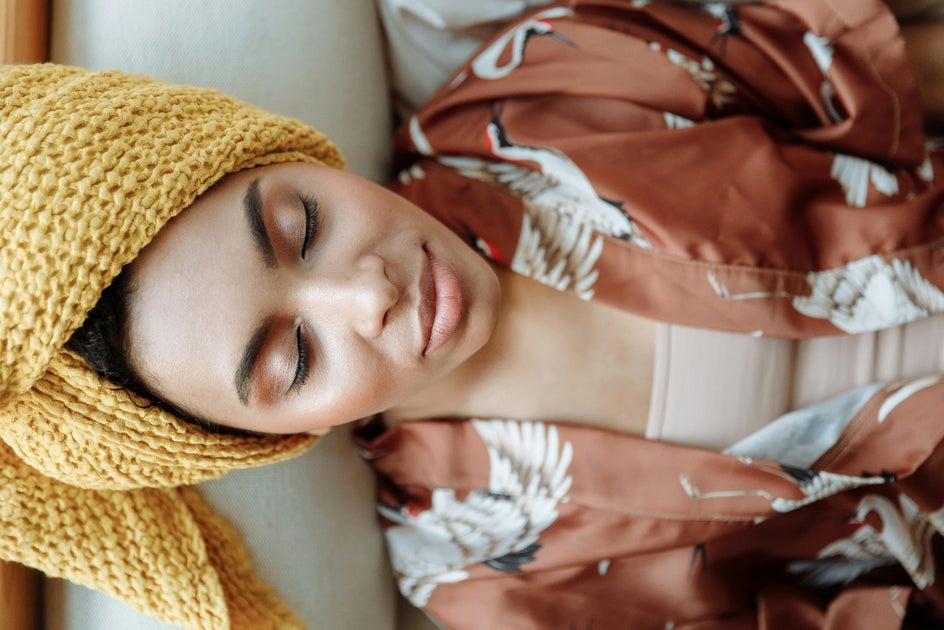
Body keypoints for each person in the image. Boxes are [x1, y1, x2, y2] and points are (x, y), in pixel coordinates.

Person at [3, 0, 944, 628]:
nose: (366, 294)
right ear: (257, 439)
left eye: (304, 223)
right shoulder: (480, 568)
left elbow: (857, 68)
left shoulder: (540, 93)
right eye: (293, 359)